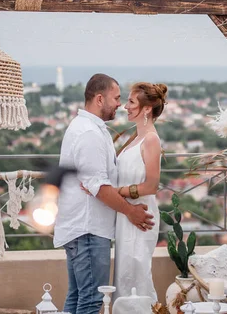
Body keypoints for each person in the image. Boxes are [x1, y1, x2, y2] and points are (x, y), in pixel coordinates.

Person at [53, 74, 155, 314]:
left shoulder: (90, 128)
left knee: (78, 296)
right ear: (100, 98)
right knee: (90, 300)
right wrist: (131, 212)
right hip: (88, 229)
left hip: (83, 229)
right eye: (116, 98)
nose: (119, 104)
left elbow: (97, 182)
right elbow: (99, 187)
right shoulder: (89, 133)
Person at [113, 82, 168, 303]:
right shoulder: (134, 139)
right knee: (125, 276)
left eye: (131, 102)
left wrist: (117, 192)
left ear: (147, 109)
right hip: (126, 216)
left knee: (136, 275)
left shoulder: (151, 139)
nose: (125, 106)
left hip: (140, 215)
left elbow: (152, 185)